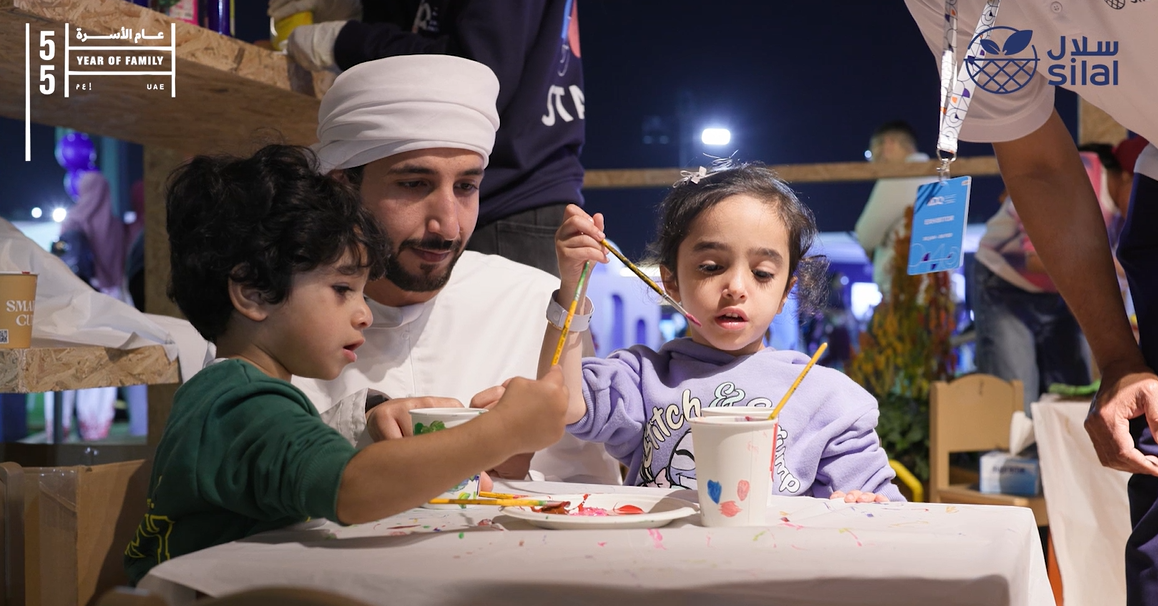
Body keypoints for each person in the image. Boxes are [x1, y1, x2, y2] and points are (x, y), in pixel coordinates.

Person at [123, 144, 569, 585]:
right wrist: (504, 430)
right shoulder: (239, 405)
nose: (365, 315)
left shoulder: (241, 394)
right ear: (253, 292)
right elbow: (352, 489)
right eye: (342, 289)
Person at [904, 2, 1158, 602]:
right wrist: (1118, 356)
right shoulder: (952, 4)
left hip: (1050, 280)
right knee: (1025, 395)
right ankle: (1018, 480)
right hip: (1009, 281)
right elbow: (1039, 169)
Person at [293, 54, 619, 483]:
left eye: (466, 186)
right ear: (342, 186)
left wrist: (513, 478)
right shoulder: (280, 314)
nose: (447, 226)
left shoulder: (536, 305)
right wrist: (355, 433)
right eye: (414, 184)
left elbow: (593, 494)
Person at [540, 163, 904, 502]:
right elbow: (560, 404)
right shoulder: (642, 378)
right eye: (711, 266)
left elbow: (881, 504)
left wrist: (865, 502)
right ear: (671, 282)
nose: (736, 287)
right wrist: (572, 286)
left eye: (762, 273)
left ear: (785, 292)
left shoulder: (826, 398)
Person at [273, 0, 585, 277]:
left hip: (508, 199)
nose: (447, 226)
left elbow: (472, 75)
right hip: (508, 195)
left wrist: (348, 39)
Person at [854, 120, 938, 297]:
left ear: (888, 144)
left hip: (903, 293)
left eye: (871, 154)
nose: (873, 163)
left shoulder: (898, 176)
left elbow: (866, 236)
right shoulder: (938, 176)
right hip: (938, 289)